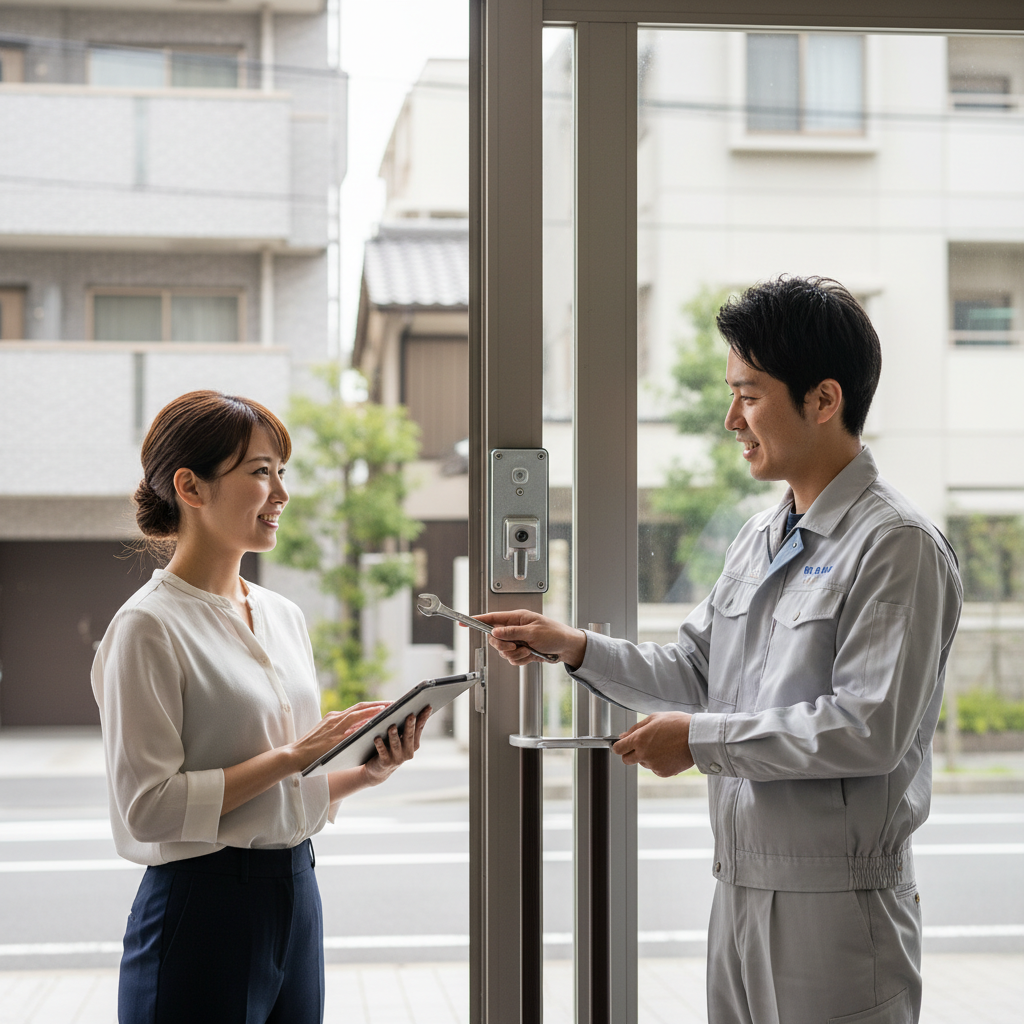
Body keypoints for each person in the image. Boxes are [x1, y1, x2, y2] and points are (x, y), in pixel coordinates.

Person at [480, 277, 963, 1024]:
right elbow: (695, 673)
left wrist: (700, 742)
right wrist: (573, 647)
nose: (730, 416)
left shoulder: (895, 544)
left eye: (749, 393)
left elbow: (868, 728)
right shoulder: (759, 536)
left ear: (824, 399)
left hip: (836, 906)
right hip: (738, 886)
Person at [91, 390, 430, 1024]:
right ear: (190, 487)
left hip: (297, 893)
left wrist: (365, 769)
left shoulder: (283, 616)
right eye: (259, 472)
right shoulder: (148, 627)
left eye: (282, 472)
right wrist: (297, 754)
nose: (281, 493)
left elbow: (291, 787)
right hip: (201, 907)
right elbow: (149, 809)